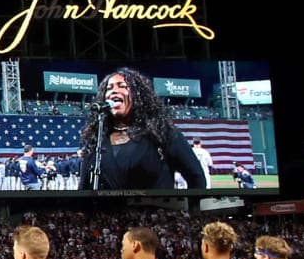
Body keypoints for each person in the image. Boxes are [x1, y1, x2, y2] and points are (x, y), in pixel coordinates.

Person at [76, 68, 208, 191]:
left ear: (139, 95)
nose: (113, 91)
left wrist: (189, 210)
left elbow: (196, 177)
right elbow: (84, 188)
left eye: (122, 86)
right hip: (110, 215)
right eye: (108, 89)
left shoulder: (162, 133)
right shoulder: (98, 139)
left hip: (156, 214)